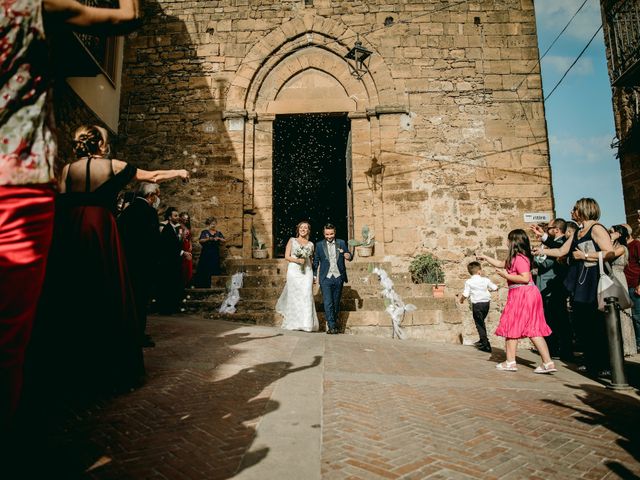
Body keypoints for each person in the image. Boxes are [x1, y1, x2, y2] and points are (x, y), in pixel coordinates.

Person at [0, 0, 140, 431]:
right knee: (9, 335)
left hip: (62, 217)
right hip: (17, 183)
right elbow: (129, 17)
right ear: (98, 145)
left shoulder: (68, 170)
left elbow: (63, 193)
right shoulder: (29, 7)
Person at [30, 125, 188, 397]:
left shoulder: (67, 169)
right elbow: (153, 175)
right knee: (106, 289)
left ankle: (64, 365)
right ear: (101, 145)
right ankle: (108, 366)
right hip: (99, 227)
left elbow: (58, 199)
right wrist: (180, 171)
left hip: (70, 228)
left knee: (71, 290)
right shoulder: (112, 166)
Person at [537, 198, 614, 376]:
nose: (571, 211)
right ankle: (590, 360)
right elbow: (562, 251)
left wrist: (585, 255)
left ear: (583, 210)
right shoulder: (578, 232)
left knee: (596, 323)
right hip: (579, 280)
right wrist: (542, 251)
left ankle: (604, 364)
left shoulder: (596, 228)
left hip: (593, 279)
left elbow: (609, 252)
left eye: (574, 208)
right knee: (582, 322)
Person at [477, 229, 556, 373]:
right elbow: (502, 263)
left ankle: (510, 362)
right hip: (527, 294)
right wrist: (486, 258)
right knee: (533, 329)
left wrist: (505, 275)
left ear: (513, 242)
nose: (506, 242)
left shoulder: (519, 258)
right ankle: (547, 363)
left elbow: (525, 278)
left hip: (522, 294)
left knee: (511, 325)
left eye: (508, 240)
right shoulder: (517, 257)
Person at [118, 182, 163, 348]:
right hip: (144, 264)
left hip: (128, 262)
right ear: (150, 196)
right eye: (157, 195)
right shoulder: (149, 212)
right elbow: (153, 240)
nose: (157, 199)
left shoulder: (127, 211)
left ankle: (128, 332)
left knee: (130, 299)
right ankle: (138, 335)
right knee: (141, 300)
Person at [531, 218, 572, 360]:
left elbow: (545, 264)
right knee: (552, 318)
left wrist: (536, 257)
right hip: (549, 286)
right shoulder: (553, 243)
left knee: (557, 319)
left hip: (554, 286)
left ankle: (561, 349)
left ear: (556, 229)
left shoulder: (561, 243)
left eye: (549, 228)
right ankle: (555, 348)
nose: (547, 230)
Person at [276, 221, 319, 332]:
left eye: (306, 228)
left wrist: (314, 275)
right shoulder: (292, 240)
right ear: (298, 229)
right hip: (294, 271)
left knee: (306, 295)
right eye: (301, 227)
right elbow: (286, 256)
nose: (303, 229)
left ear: (308, 230)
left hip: (307, 271)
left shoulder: (311, 244)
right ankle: (293, 323)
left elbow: (311, 260)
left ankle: (307, 324)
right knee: (294, 295)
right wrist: (297, 260)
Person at [313, 224, 352, 334]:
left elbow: (349, 254)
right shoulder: (319, 245)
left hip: (339, 276)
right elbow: (316, 261)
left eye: (331, 234)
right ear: (324, 233)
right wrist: (314, 275)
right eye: (327, 234)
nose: (329, 236)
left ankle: (333, 323)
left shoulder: (341, 243)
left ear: (335, 233)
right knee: (328, 302)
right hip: (326, 278)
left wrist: (348, 255)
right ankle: (331, 326)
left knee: (335, 302)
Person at [609, 225, 637, 356]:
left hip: (619, 278)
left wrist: (609, 239)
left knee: (623, 313)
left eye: (612, 232)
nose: (610, 234)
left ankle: (627, 346)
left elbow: (609, 255)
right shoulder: (612, 245)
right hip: (610, 278)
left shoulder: (622, 248)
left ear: (619, 234)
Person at [157, 207, 191, 314]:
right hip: (168, 262)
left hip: (175, 261)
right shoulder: (167, 229)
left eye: (177, 215)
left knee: (174, 284)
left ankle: (172, 307)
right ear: (169, 217)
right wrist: (183, 253)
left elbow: (178, 243)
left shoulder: (175, 229)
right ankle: (165, 309)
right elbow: (169, 247)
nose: (177, 217)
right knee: (167, 285)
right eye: (175, 216)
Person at [459, 261, 498, 353]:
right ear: (479, 271)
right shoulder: (485, 280)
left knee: (479, 324)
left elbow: (466, 294)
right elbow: (495, 287)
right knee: (481, 321)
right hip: (486, 304)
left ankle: (486, 345)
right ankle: (482, 339)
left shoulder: (469, 282)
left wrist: (461, 300)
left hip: (477, 305)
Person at [193, 217, 226, 288]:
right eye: (211, 224)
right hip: (206, 252)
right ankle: (203, 284)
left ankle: (214, 284)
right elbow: (201, 240)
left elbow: (224, 240)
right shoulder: (204, 232)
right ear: (208, 224)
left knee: (214, 266)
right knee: (205, 267)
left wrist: (219, 238)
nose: (213, 225)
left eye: (214, 224)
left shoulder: (218, 233)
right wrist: (208, 239)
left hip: (215, 252)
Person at [624, 223, 640, 354]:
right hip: (624, 284)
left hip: (634, 285)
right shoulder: (622, 246)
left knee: (637, 316)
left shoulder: (636, 244)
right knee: (628, 315)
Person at [179, 211, 193, 288]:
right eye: (184, 219)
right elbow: (180, 237)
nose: (185, 220)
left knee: (189, 263)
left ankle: (188, 281)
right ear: (181, 218)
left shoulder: (187, 226)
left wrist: (190, 245)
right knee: (183, 264)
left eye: (187, 219)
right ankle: (183, 282)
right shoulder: (179, 226)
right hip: (182, 245)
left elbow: (190, 238)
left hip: (188, 245)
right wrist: (182, 236)